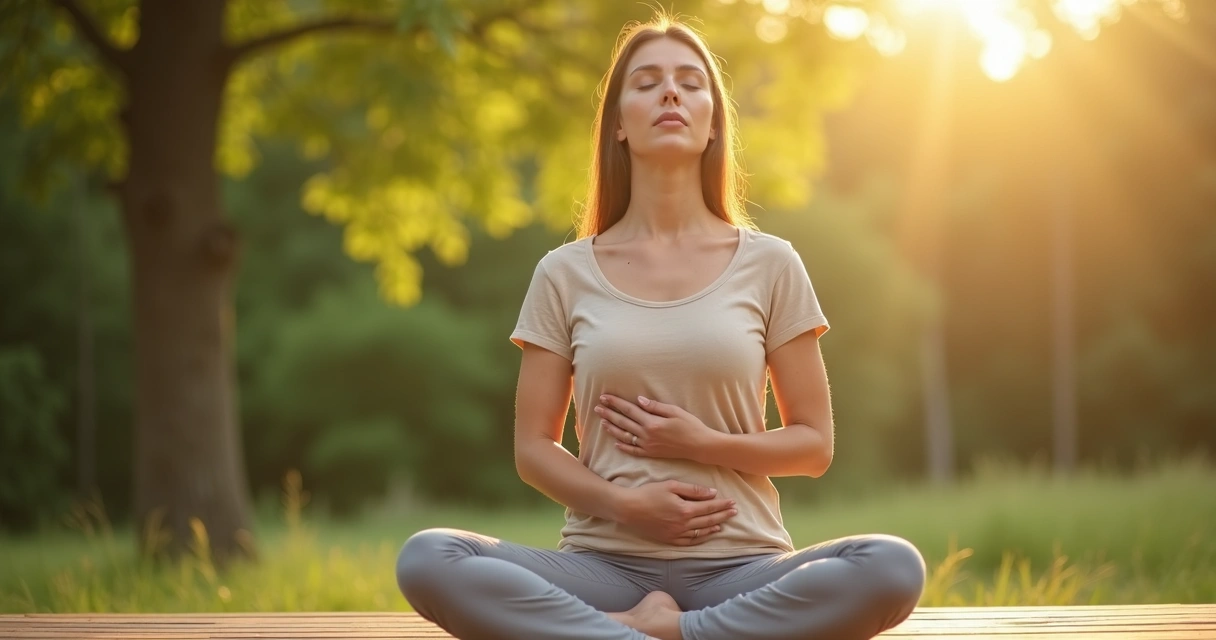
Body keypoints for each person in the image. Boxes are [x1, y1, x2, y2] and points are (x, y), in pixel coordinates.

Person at [396, 15, 926, 640]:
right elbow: (533, 449)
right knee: (430, 557)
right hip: (603, 565)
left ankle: (661, 633)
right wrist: (624, 505)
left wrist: (703, 445)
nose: (671, 93)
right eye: (647, 82)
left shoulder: (771, 263)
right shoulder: (564, 272)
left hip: (742, 564)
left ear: (712, 123)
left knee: (890, 566)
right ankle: (648, 627)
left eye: (690, 83)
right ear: (618, 124)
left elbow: (813, 446)